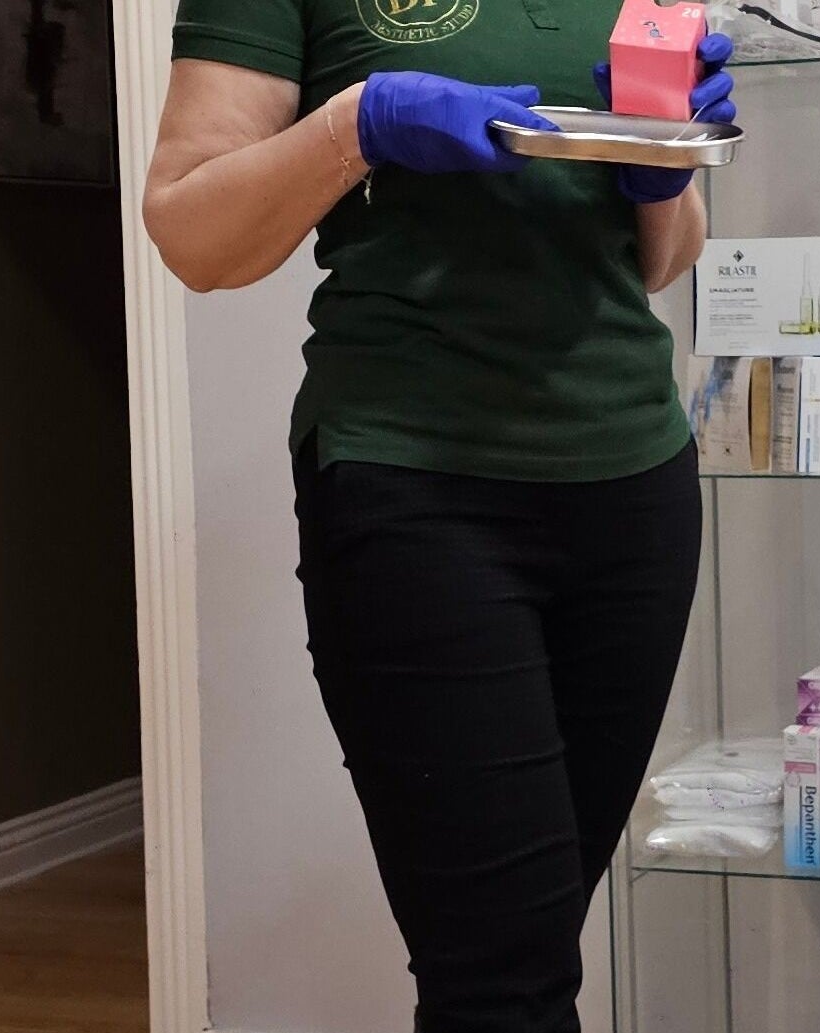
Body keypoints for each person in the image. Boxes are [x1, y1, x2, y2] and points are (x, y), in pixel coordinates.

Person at [143, 1, 738, 1028]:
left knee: (527, 950)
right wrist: (358, 124)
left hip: (634, 486)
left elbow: (657, 259)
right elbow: (194, 234)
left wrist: (662, 172)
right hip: (418, 490)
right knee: (500, 979)